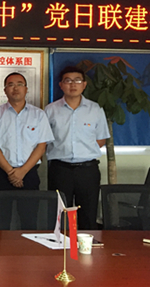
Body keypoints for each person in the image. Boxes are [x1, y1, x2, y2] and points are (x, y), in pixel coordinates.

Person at [45, 66, 110, 230]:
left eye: (77, 80)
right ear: (61, 85)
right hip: (60, 170)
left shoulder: (95, 109)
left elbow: (101, 139)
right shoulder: (50, 110)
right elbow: (44, 140)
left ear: (84, 84)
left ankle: (86, 245)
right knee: (59, 216)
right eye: (68, 81)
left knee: (88, 215)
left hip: (88, 170)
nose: (73, 84)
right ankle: (61, 246)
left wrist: (83, 152)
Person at [0, 72, 54, 192]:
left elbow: (41, 147)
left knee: (29, 205)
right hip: (1, 173)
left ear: (26, 89)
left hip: (29, 173)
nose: (15, 88)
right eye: (11, 85)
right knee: (1, 205)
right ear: (5, 90)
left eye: (20, 84)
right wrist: (11, 172)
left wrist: (22, 171)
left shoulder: (39, 114)